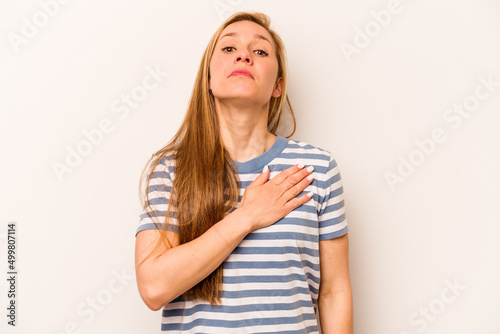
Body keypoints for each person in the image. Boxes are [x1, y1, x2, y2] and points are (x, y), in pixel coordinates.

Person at [134, 11, 353, 333]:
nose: (243, 55)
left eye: (260, 51)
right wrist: (246, 216)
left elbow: (334, 293)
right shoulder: (171, 169)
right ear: (209, 79)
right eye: (228, 48)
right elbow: (154, 288)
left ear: (278, 86)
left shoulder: (316, 168)